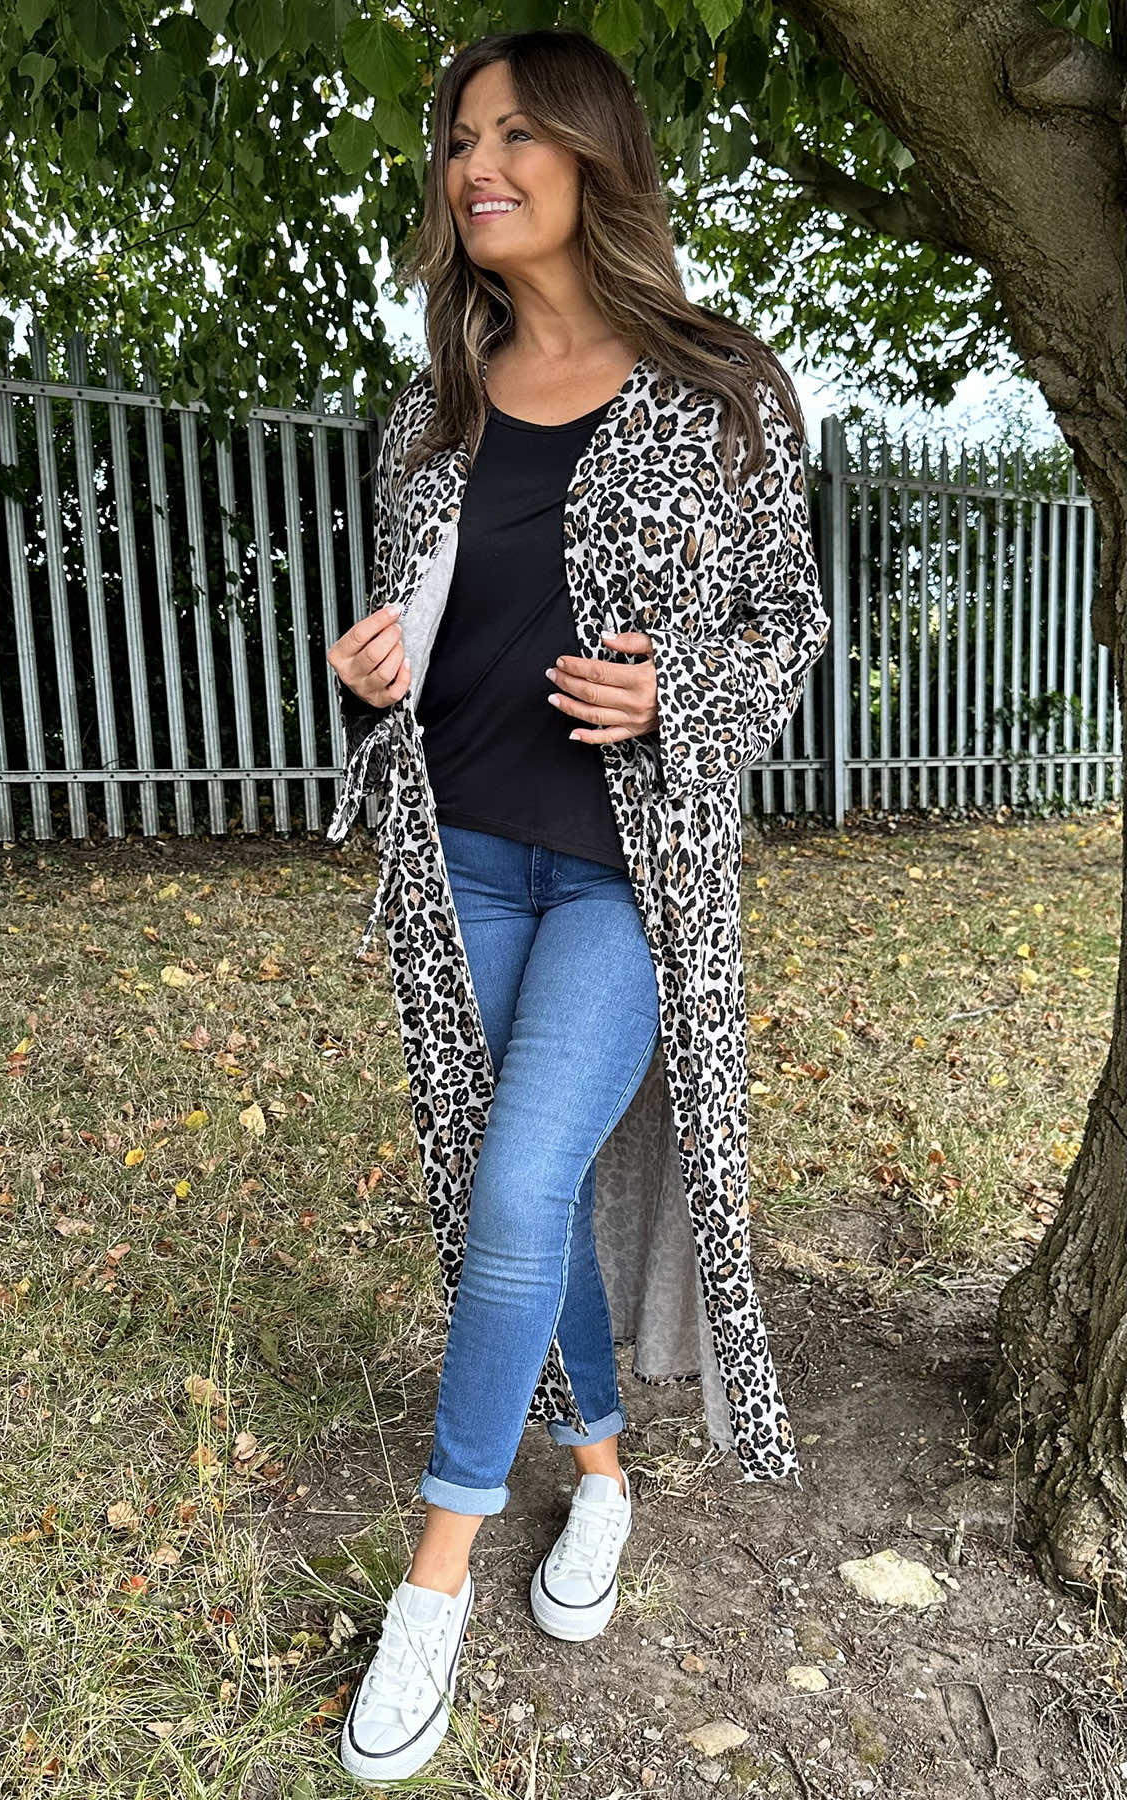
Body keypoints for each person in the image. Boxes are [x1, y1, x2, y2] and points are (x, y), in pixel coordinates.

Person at [325, 26, 827, 1786]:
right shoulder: (433, 412)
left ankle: (434, 1587)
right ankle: (600, 1475)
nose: (479, 163)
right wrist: (367, 671)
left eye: (519, 131)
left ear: (596, 158)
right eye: (463, 136)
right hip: (456, 852)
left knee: (519, 1182)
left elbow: (790, 625)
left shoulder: (722, 390)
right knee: (511, 1194)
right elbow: (417, 632)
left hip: (627, 872)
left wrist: (680, 687)